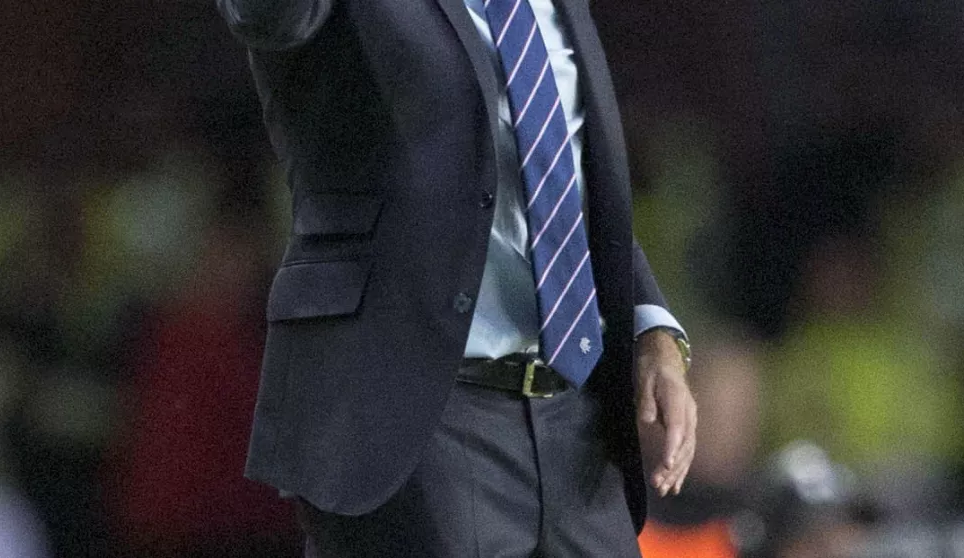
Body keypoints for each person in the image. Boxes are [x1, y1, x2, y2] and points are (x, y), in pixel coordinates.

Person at [216, 1, 697, 555]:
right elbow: (267, 17)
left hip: (575, 425)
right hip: (416, 420)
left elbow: (570, 192)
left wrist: (652, 335)